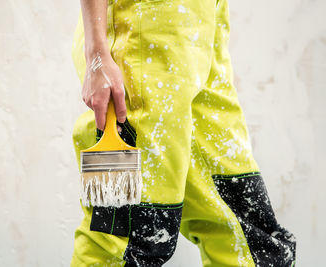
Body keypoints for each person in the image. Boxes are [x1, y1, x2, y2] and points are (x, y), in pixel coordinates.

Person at [70, 0, 297, 266]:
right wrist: (97, 51)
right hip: (142, 34)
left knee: (245, 231)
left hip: (201, 24)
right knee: (127, 235)